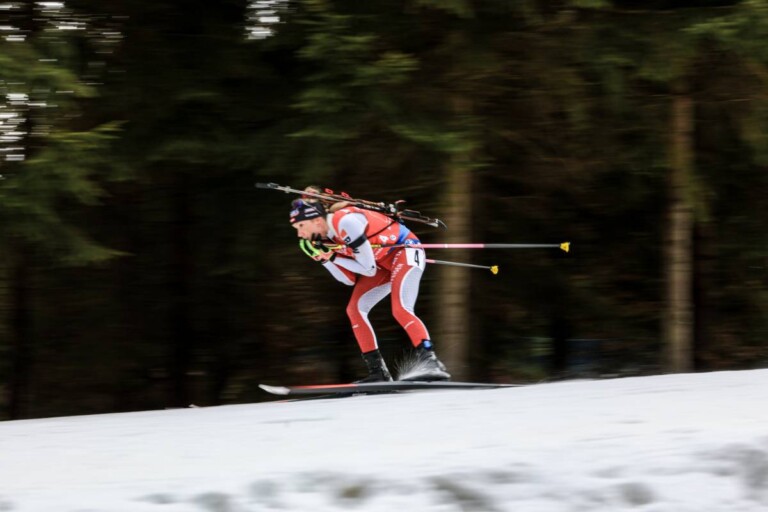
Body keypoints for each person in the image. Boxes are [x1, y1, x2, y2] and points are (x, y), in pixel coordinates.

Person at [289, 193, 451, 383]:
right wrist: (324, 259)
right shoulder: (325, 239)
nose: (299, 234)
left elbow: (368, 269)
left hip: (404, 251)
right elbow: (348, 280)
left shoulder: (345, 222)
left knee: (401, 308)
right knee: (354, 309)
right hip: (381, 264)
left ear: (316, 221)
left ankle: (431, 361)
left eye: (300, 226)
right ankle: (378, 372)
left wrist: (332, 257)